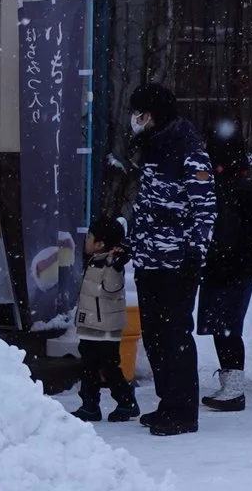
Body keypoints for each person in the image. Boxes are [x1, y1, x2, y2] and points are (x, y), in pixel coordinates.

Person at [122, 83, 213, 436]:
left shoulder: (188, 151)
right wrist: (133, 244)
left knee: (175, 334)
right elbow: (146, 207)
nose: (135, 120)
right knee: (156, 335)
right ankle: (166, 403)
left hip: (177, 261)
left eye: (139, 113)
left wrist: (194, 254)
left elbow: (205, 210)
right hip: (149, 258)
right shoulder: (152, 148)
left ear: (153, 115)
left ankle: (183, 410)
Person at [199, 124, 252, 414]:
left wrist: (239, 246)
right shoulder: (224, 186)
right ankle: (229, 383)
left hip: (235, 268)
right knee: (222, 328)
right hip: (223, 267)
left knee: (228, 328)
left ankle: (234, 387)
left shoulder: (242, 189)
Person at [71, 218, 137, 422]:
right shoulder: (95, 259)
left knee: (109, 368)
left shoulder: (110, 263)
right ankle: (90, 406)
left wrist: (115, 266)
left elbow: (111, 288)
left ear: (100, 244)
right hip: (90, 325)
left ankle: (127, 402)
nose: (85, 241)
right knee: (88, 366)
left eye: (89, 237)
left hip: (106, 328)